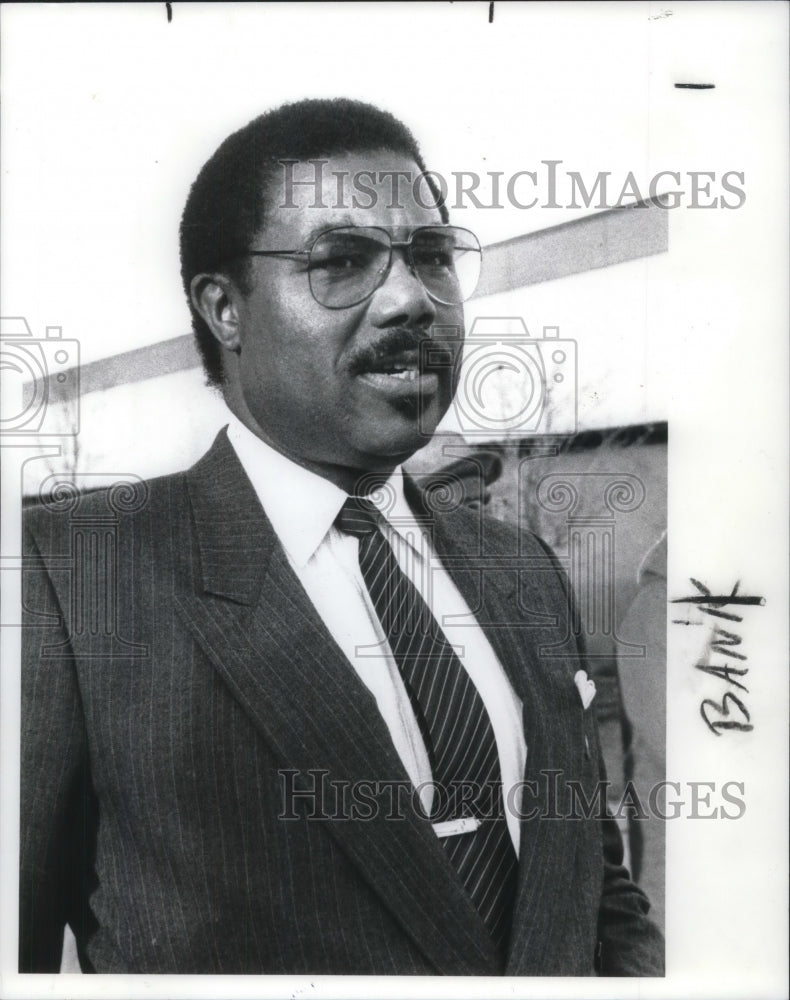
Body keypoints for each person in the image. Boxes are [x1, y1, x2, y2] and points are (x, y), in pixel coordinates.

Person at [20, 97, 663, 976]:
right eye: (342, 261)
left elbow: (596, 888)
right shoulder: (70, 578)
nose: (411, 298)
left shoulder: (519, 570)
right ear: (224, 308)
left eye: (433, 256)